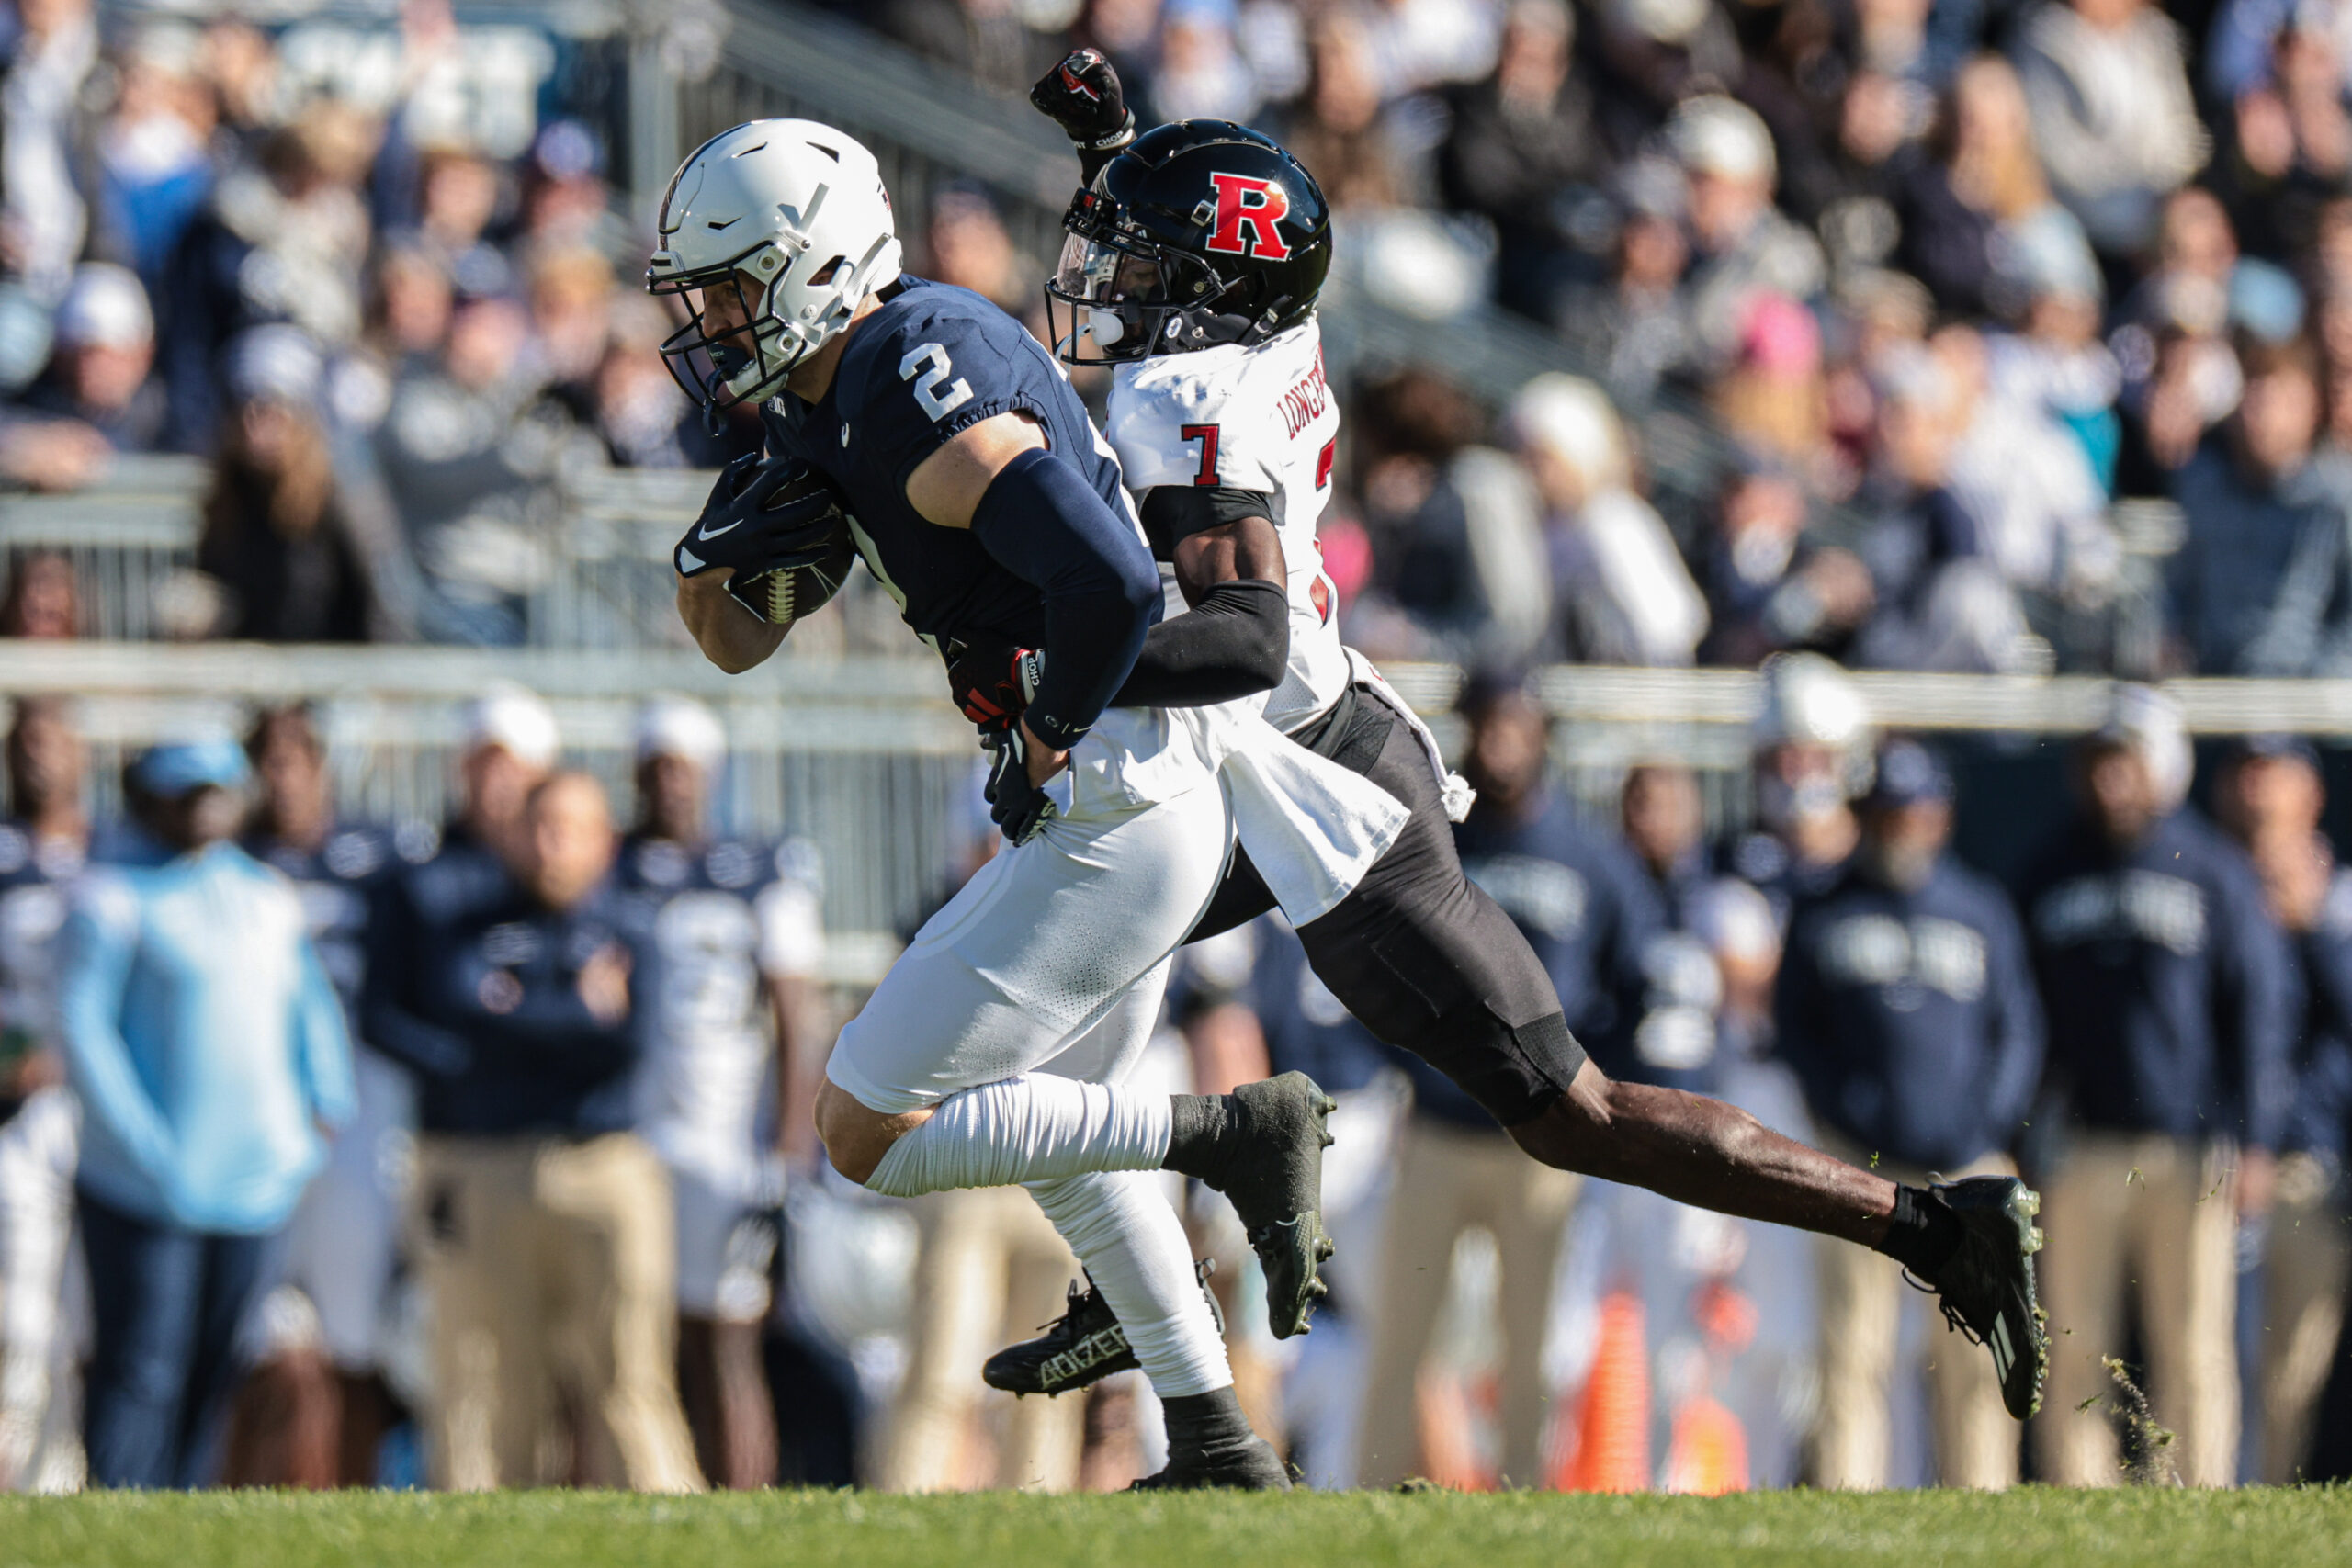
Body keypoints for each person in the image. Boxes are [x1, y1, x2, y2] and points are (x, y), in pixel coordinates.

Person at [996, 56, 2049, 1430]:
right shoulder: (1259, 332)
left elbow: (1244, 636)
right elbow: (1203, 283)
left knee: (1573, 1113)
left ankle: (1934, 1226)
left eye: (1141, 262)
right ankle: (1131, 1275)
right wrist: (1118, 147)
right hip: (1271, 761)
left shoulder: (1178, 404)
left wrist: (1053, 686)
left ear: (1210, 289)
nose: (1110, 282)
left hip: (1318, 783)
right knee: (1062, 961)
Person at [658, 116, 1385, 1491]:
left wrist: (1046, 720)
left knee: (863, 1129)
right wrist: (710, 552)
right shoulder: (837, 387)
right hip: (1124, 790)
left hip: (1121, 790)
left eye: (736, 286)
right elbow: (734, 636)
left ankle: (1230, 1130)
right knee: (1059, 1125)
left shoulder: (911, 372)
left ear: (811, 267)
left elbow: (1108, 581)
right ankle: (1221, 1441)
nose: (714, 321)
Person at [1355, 674, 1660, 1489]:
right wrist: (1405, 1063)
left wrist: (1593, 1083)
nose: (1501, 741)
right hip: (1440, 1129)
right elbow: (1377, 957)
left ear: (1541, 732)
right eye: (1488, 724)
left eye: (1516, 724)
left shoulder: (1592, 857)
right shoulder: (1439, 840)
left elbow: (1641, 986)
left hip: (1541, 1140)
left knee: (1532, 1340)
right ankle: (1369, 1488)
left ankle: (1522, 1492)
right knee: (1403, 1332)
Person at [371, 772, 701, 1493]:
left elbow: (626, 1043)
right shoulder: (468, 921)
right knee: (487, 1383)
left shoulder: (632, 924)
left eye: (571, 827)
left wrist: (518, 1018)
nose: (552, 845)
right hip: (488, 1164)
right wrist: (576, 1013)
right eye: (539, 825)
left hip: (604, 1165)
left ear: (604, 840)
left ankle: (670, 1528)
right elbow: (461, 1021)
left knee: (631, 1374)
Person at [60, 736, 354, 1490]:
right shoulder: (111, 896)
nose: (206, 807)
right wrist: (144, 1145)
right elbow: (84, 1031)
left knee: (217, 1365)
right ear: (150, 800)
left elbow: (309, 1009)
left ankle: (184, 1509)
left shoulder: (265, 895)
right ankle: (121, 1513)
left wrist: (318, 1119)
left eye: (219, 789)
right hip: (143, 1186)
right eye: (186, 793)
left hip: (253, 1182)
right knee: (142, 1366)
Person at [2021, 687, 2295, 1486]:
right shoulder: (2050, 866)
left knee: (2194, 1343)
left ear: (2165, 767)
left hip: (2190, 1144)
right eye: (2099, 765)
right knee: (2074, 1341)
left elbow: (2257, 1011)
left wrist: (2258, 1139)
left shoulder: (2212, 869)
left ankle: (2199, 1489)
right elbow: (2023, 1010)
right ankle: (2081, 1496)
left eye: (2127, 763)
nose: (2112, 783)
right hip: (2079, 1144)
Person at [1777, 739, 2045, 1490]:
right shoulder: (1825, 908)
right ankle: (1849, 1501)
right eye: (1886, 813)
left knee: (1974, 1352)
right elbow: (1797, 1030)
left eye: (1913, 811)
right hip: (1859, 1162)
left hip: (1968, 1162)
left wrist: (1986, 1124)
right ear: (1864, 816)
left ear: (1941, 816)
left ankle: (1981, 1501)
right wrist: (1847, 1113)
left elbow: (2019, 1029)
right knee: (1853, 1351)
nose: (1900, 827)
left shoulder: (1981, 907)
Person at [616, 696, 825, 1490]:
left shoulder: (758, 869)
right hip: (636, 1134)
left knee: (726, 1334)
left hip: (727, 1135)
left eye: (684, 768)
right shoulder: (614, 864)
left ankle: (741, 1503)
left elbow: (795, 1017)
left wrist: (788, 1146)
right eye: (657, 768)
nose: (670, 784)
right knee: (638, 1334)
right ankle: (652, 1495)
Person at [234, 705, 418, 1487]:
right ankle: (253, 1495)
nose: (282, 777)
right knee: (261, 1335)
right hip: (255, 1114)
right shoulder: (232, 862)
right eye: (267, 761)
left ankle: (356, 1494)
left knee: (354, 1332)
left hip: (358, 1114)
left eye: (294, 759)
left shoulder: (381, 859)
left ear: (322, 766)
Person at [2211, 735, 2352, 1482]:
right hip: (2210, 1162)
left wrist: (2314, 930)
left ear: (2313, 793)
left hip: (2307, 1168)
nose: (2261, 793)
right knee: (2203, 1353)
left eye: (2277, 774)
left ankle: (2268, 1505)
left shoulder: (2341, 900)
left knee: (2290, 1368)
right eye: (2247, 774)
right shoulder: (2204, 881)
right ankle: (2194, 1502)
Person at [0, 698, 93, 1492]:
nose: (39, 757)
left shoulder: (119, 851)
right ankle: (20, 1474)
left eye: (54, 740)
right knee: (20, 1310)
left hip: (109, 1116)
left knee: (87, 1311)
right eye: (25, 740)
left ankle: (71, 1473)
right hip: (18, 1117)